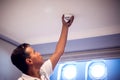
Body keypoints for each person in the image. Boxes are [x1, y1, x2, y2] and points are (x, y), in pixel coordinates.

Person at [11, 14, 74, 80]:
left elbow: (58, 52)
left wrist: (65, 26)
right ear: (29, 61)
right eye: (34, 52)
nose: (39, 53)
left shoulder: (42, 71)